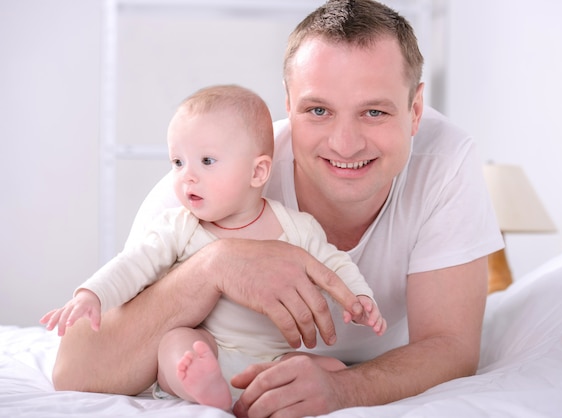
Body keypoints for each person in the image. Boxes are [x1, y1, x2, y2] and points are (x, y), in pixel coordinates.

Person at [51, 1, 504, 416]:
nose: (345, 144)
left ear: (416, 110)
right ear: (287, 106)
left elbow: (451, 345)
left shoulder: (445, 161)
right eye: (318, 110)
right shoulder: (210, 183)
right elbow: (76, 370)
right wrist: (216, 265)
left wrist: (347, 391)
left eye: (374, 113)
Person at [41, 85, 386, 410]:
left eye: (206, 161)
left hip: (274, 355)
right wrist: (92, 295)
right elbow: (132, 264)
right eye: (178, 162)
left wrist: (359, 298)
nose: (187, 176)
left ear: (258, 171)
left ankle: (256, 387)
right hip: (210, 349)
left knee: (334, 369)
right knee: (176, 345)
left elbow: (333, 266)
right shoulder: (179, 227)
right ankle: (203, 386)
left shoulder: (297, 227)